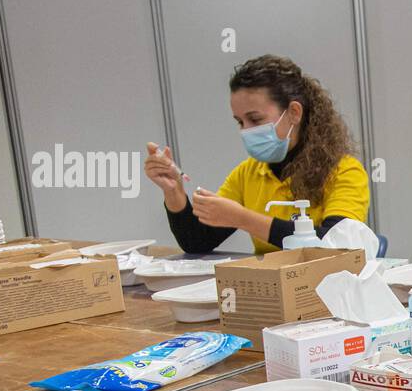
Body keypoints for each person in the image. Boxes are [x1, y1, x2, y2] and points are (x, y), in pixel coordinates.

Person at [145, 54, 369, 255]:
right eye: (240, 121)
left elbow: (337, 246)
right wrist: (173, 192)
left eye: (255, 119)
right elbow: (197, 242)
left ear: (294, 113)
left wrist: (243, 219)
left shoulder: (345, 171)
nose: (246, 130)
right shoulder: (248, 174)